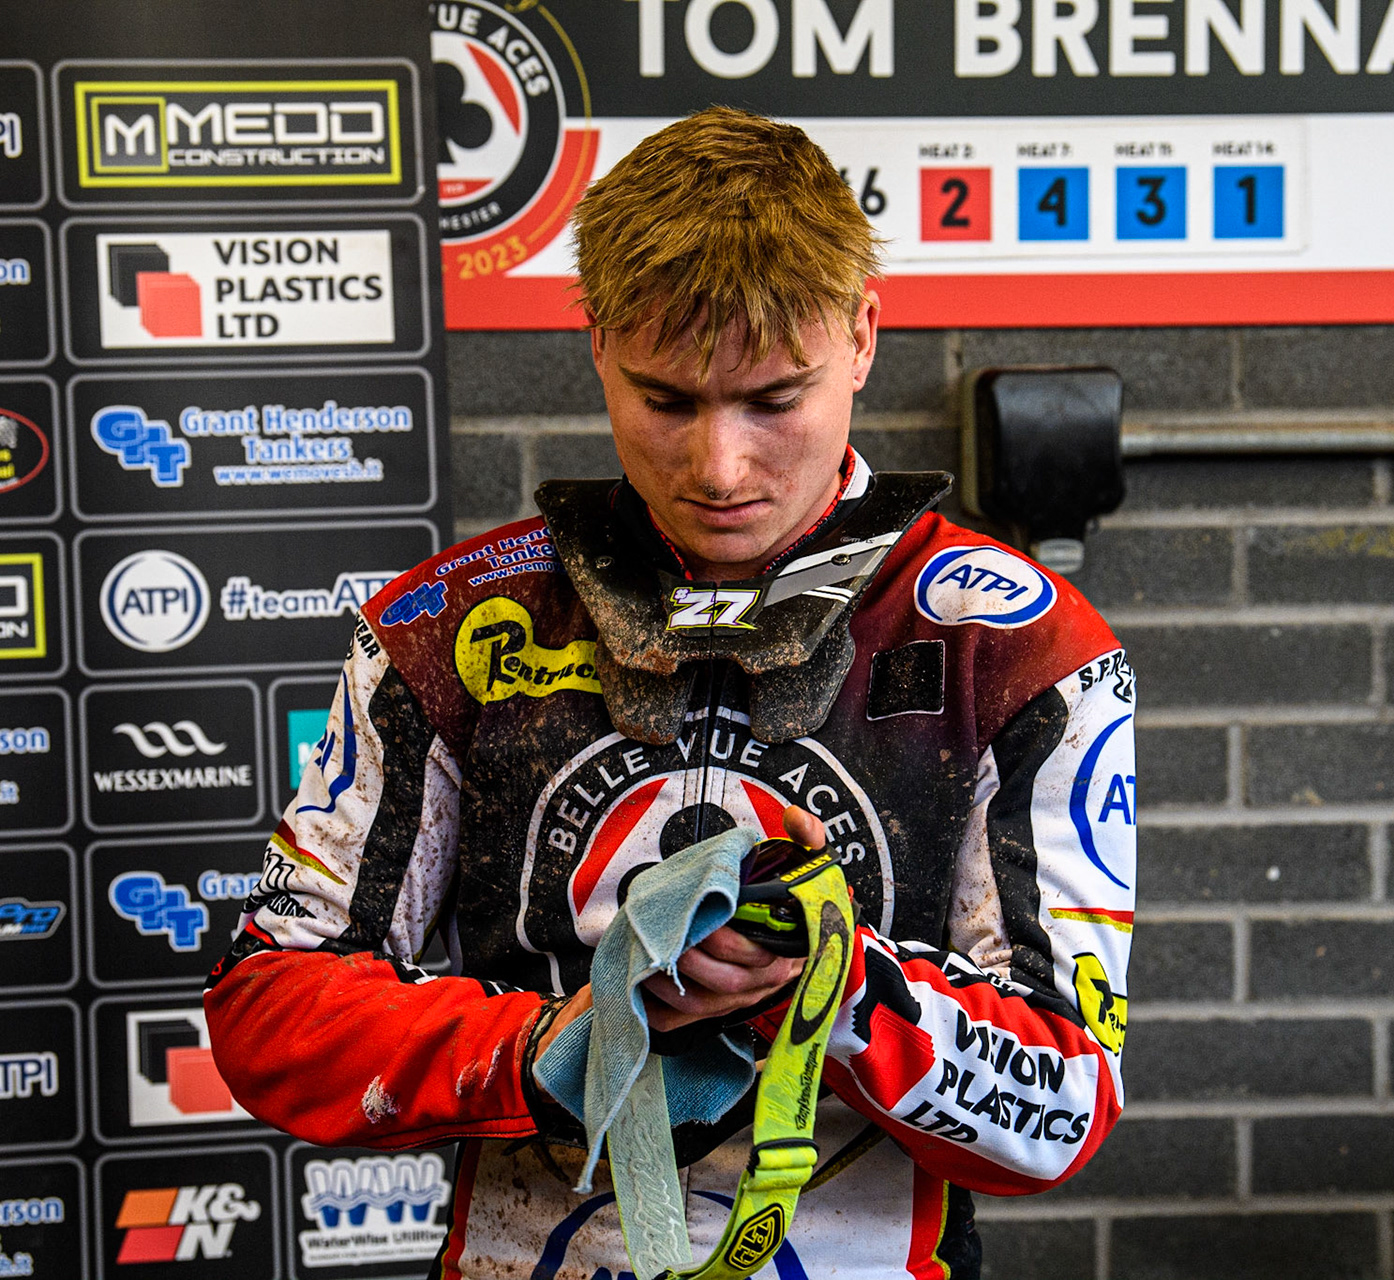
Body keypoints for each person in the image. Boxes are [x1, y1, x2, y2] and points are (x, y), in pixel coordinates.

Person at [206, 106, 1137, 1280]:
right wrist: (550, 1043)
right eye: (669, 400)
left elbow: (1065, 1101)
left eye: (772, 398)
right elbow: (270, 1008)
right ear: (596, 342)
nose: (720, 467)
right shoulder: (448, 625)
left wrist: (839, 990)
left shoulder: (1014, 643)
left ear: (861, 335)